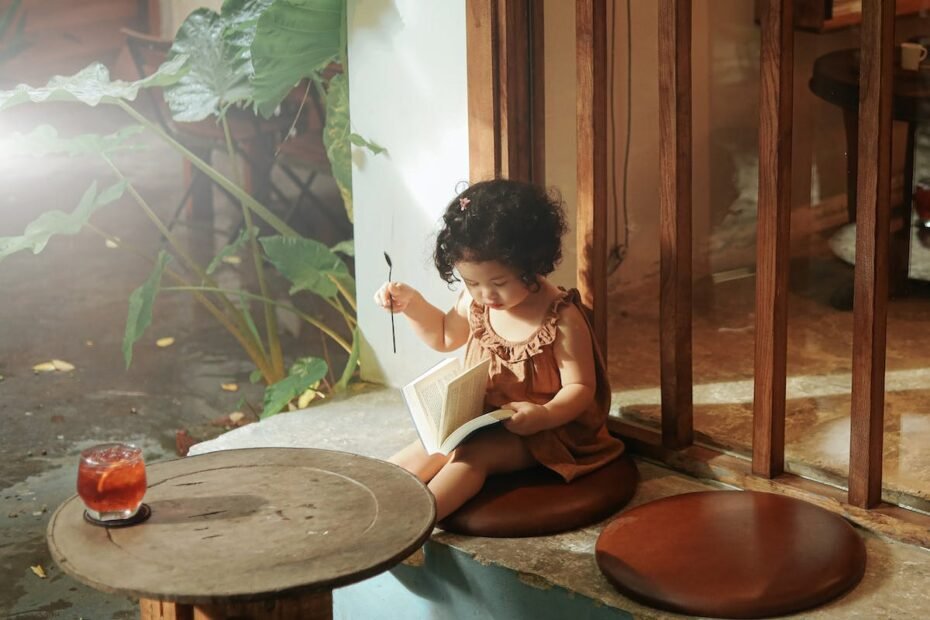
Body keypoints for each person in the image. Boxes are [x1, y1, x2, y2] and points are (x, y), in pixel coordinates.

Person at [374, 179, 624, 521]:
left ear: (531, 264)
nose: (485, 295)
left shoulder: (560, 318)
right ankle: (367, 499)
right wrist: (412, 305)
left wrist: (545, 415)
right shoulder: (476, 303)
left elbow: (581, 389)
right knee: (432, 446)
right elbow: (445, 335)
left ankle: (410, 524)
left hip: (544, 430)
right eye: (472, 283)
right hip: (482, 417)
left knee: (472, 457)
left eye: (499, 283)